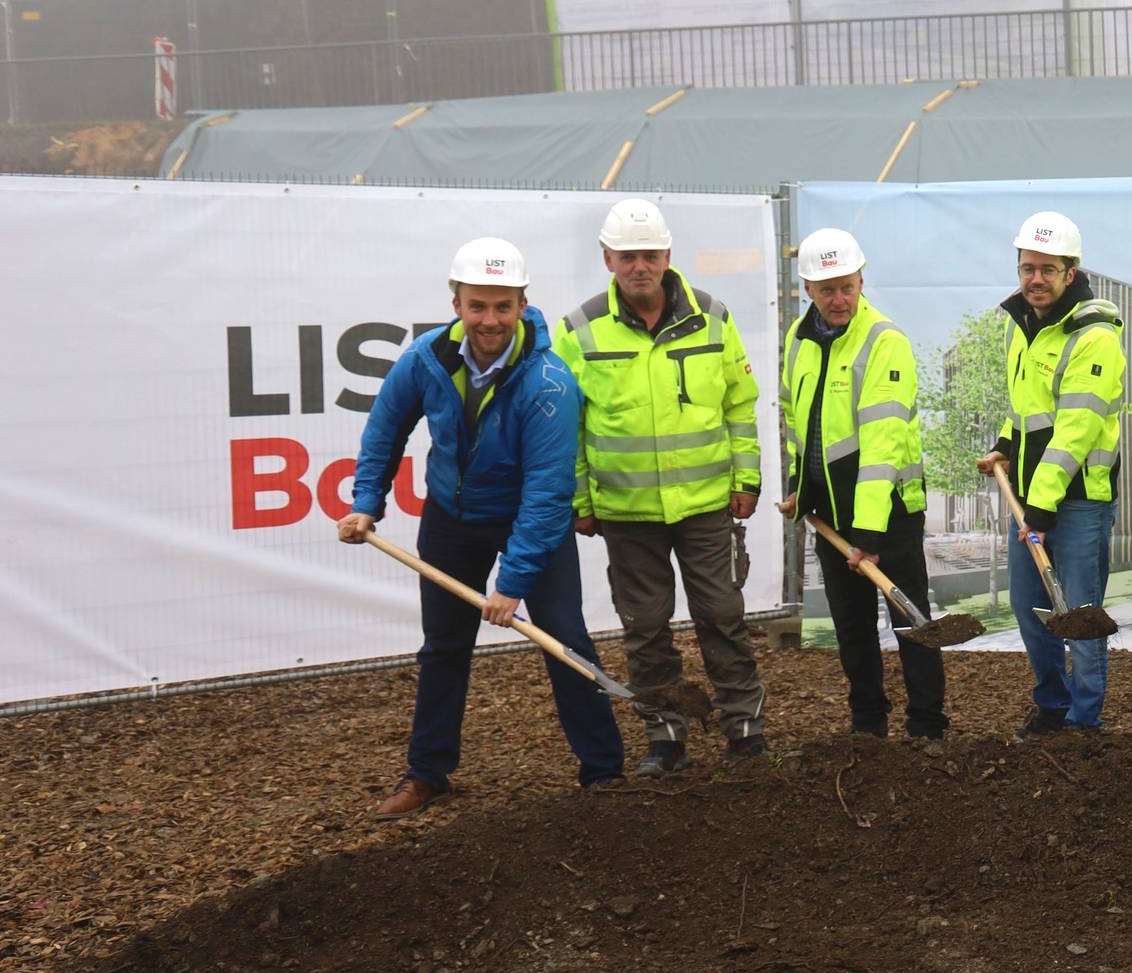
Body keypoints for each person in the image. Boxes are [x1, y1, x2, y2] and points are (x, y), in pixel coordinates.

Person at [341, 238, 625, 818]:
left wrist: (512, 581)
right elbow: (385, 428)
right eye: (477, 306)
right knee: (443, 647)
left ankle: (604, 773)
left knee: (565, 638)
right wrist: (367, 502)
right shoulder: (426, 358)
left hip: (529, 520)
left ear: (523, 304)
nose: (489, 319)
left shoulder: (548, 382)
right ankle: (428, 773)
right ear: (456, 304)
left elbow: (548, 494)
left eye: (502, 306)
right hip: (451, 517)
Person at [552, 198, 768, 776]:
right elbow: (566, 424)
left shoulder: (713, 318)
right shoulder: (577, 331)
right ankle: (664, 737)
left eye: (649, 255)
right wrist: (581, 498)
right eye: (627, 257)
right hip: (626, 512)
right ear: (608, 259)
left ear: (668, 256)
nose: (639, 266)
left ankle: (744, 729)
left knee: (722, 615)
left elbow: (739, 405)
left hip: (704, 505)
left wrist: (747, 477)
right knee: (645, 628)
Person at [780, 227, 943, 740]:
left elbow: (882, 445)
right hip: (829, 512)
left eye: (847, 286)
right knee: (851, 628)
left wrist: (868, 534)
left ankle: (926, 725)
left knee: (910, 619)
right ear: (807, 288)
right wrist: (797, 485)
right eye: (826, 289)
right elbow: (796, 422)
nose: (839, 299)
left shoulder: (884, 341)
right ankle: (867, 723)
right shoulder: (798, 340)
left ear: (861, 280)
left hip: (888, 511)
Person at [986, 211, 1126, 737]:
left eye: (1048, 269)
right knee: (1030, 609)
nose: (1035, 279)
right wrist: (1004, 441)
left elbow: (1076, 429)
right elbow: (1027, 408)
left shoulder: (1095, 336)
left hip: (1079, 499)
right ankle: (1050, 705)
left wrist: (1040, 505)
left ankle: (1084, 720)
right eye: (1027, 268)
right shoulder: (1021, 325)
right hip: (1030, 496)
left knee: (1079, 616)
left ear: (1071, 272)